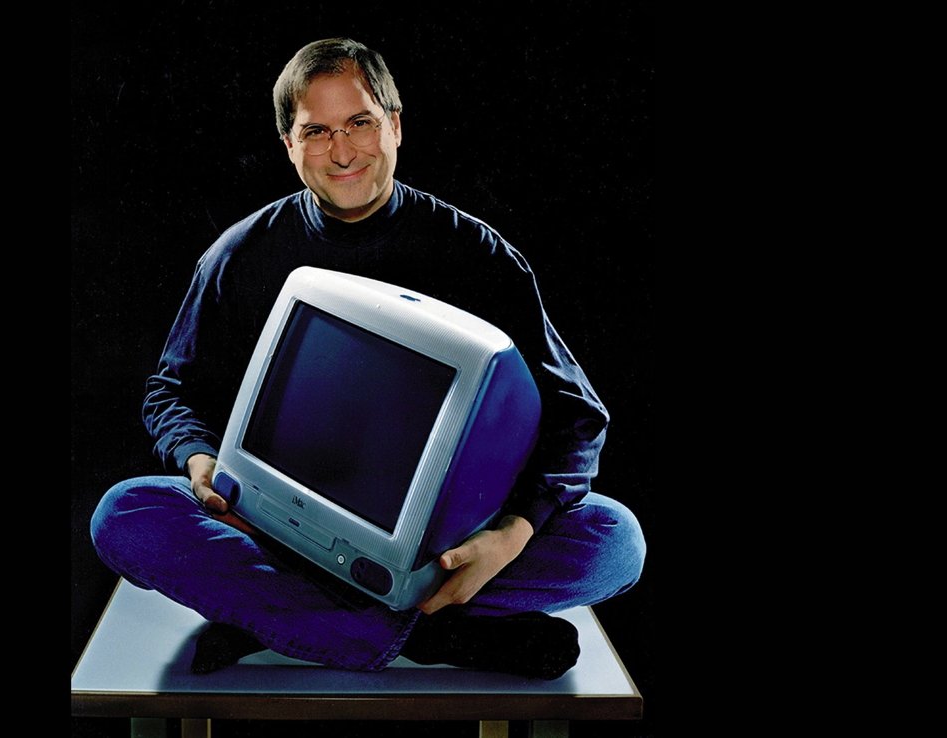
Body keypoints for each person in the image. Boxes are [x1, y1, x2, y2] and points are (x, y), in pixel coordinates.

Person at [91, 37, 645, 680]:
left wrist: (510, 536)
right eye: (316, 131)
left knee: (614, 541)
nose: (343, 150)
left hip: (433, 546)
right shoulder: (240, 255)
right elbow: (171, 390)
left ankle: (289, 621)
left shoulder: (478, 255)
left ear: (396, 125)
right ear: (289, 145)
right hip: (277, 530)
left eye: (361, 122)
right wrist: (201, 461)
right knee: (126, 515)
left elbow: (577, 416)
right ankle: (440, 638)